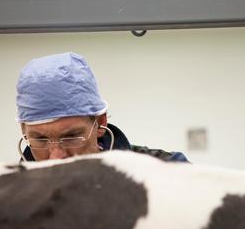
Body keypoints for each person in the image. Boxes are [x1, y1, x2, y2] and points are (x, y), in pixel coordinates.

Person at [16, 52, 188, 163]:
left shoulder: (169, 172)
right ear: (24, 131)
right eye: (40, 140)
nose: (56, 158)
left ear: (100, 122)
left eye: (71, 136)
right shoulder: (8, 197)